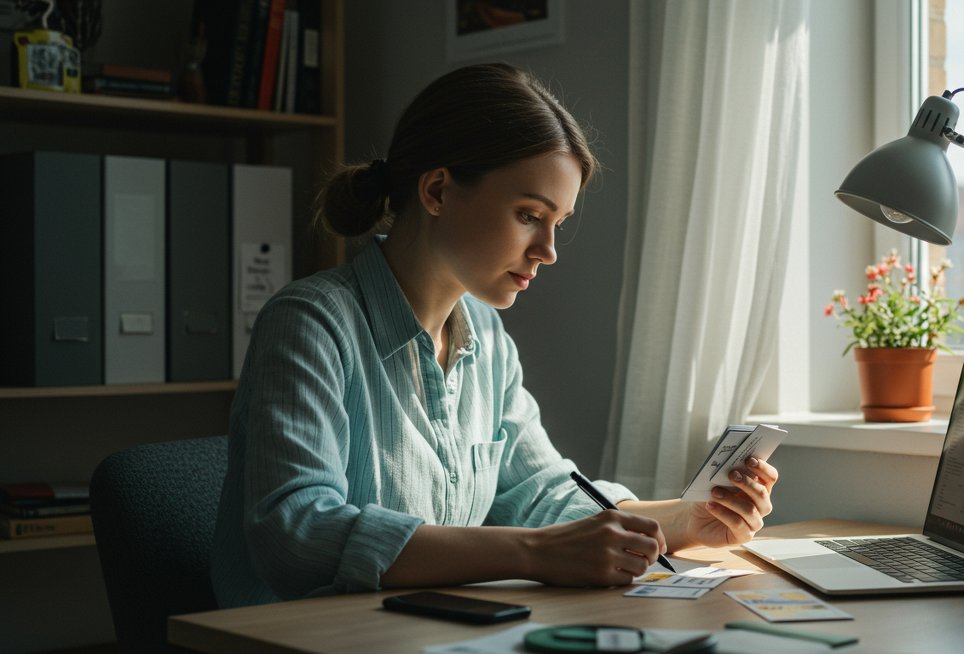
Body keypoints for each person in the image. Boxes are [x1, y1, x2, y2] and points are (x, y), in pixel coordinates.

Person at [210, 62, 778, 607]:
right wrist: (532, 554)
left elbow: (540, 496)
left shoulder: (485, 333)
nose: (548, 251)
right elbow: (296, 533)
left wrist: (685, 520)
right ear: (436, 191)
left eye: (558, 224)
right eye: (530, 215)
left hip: (426, 631)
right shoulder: (311, 323)